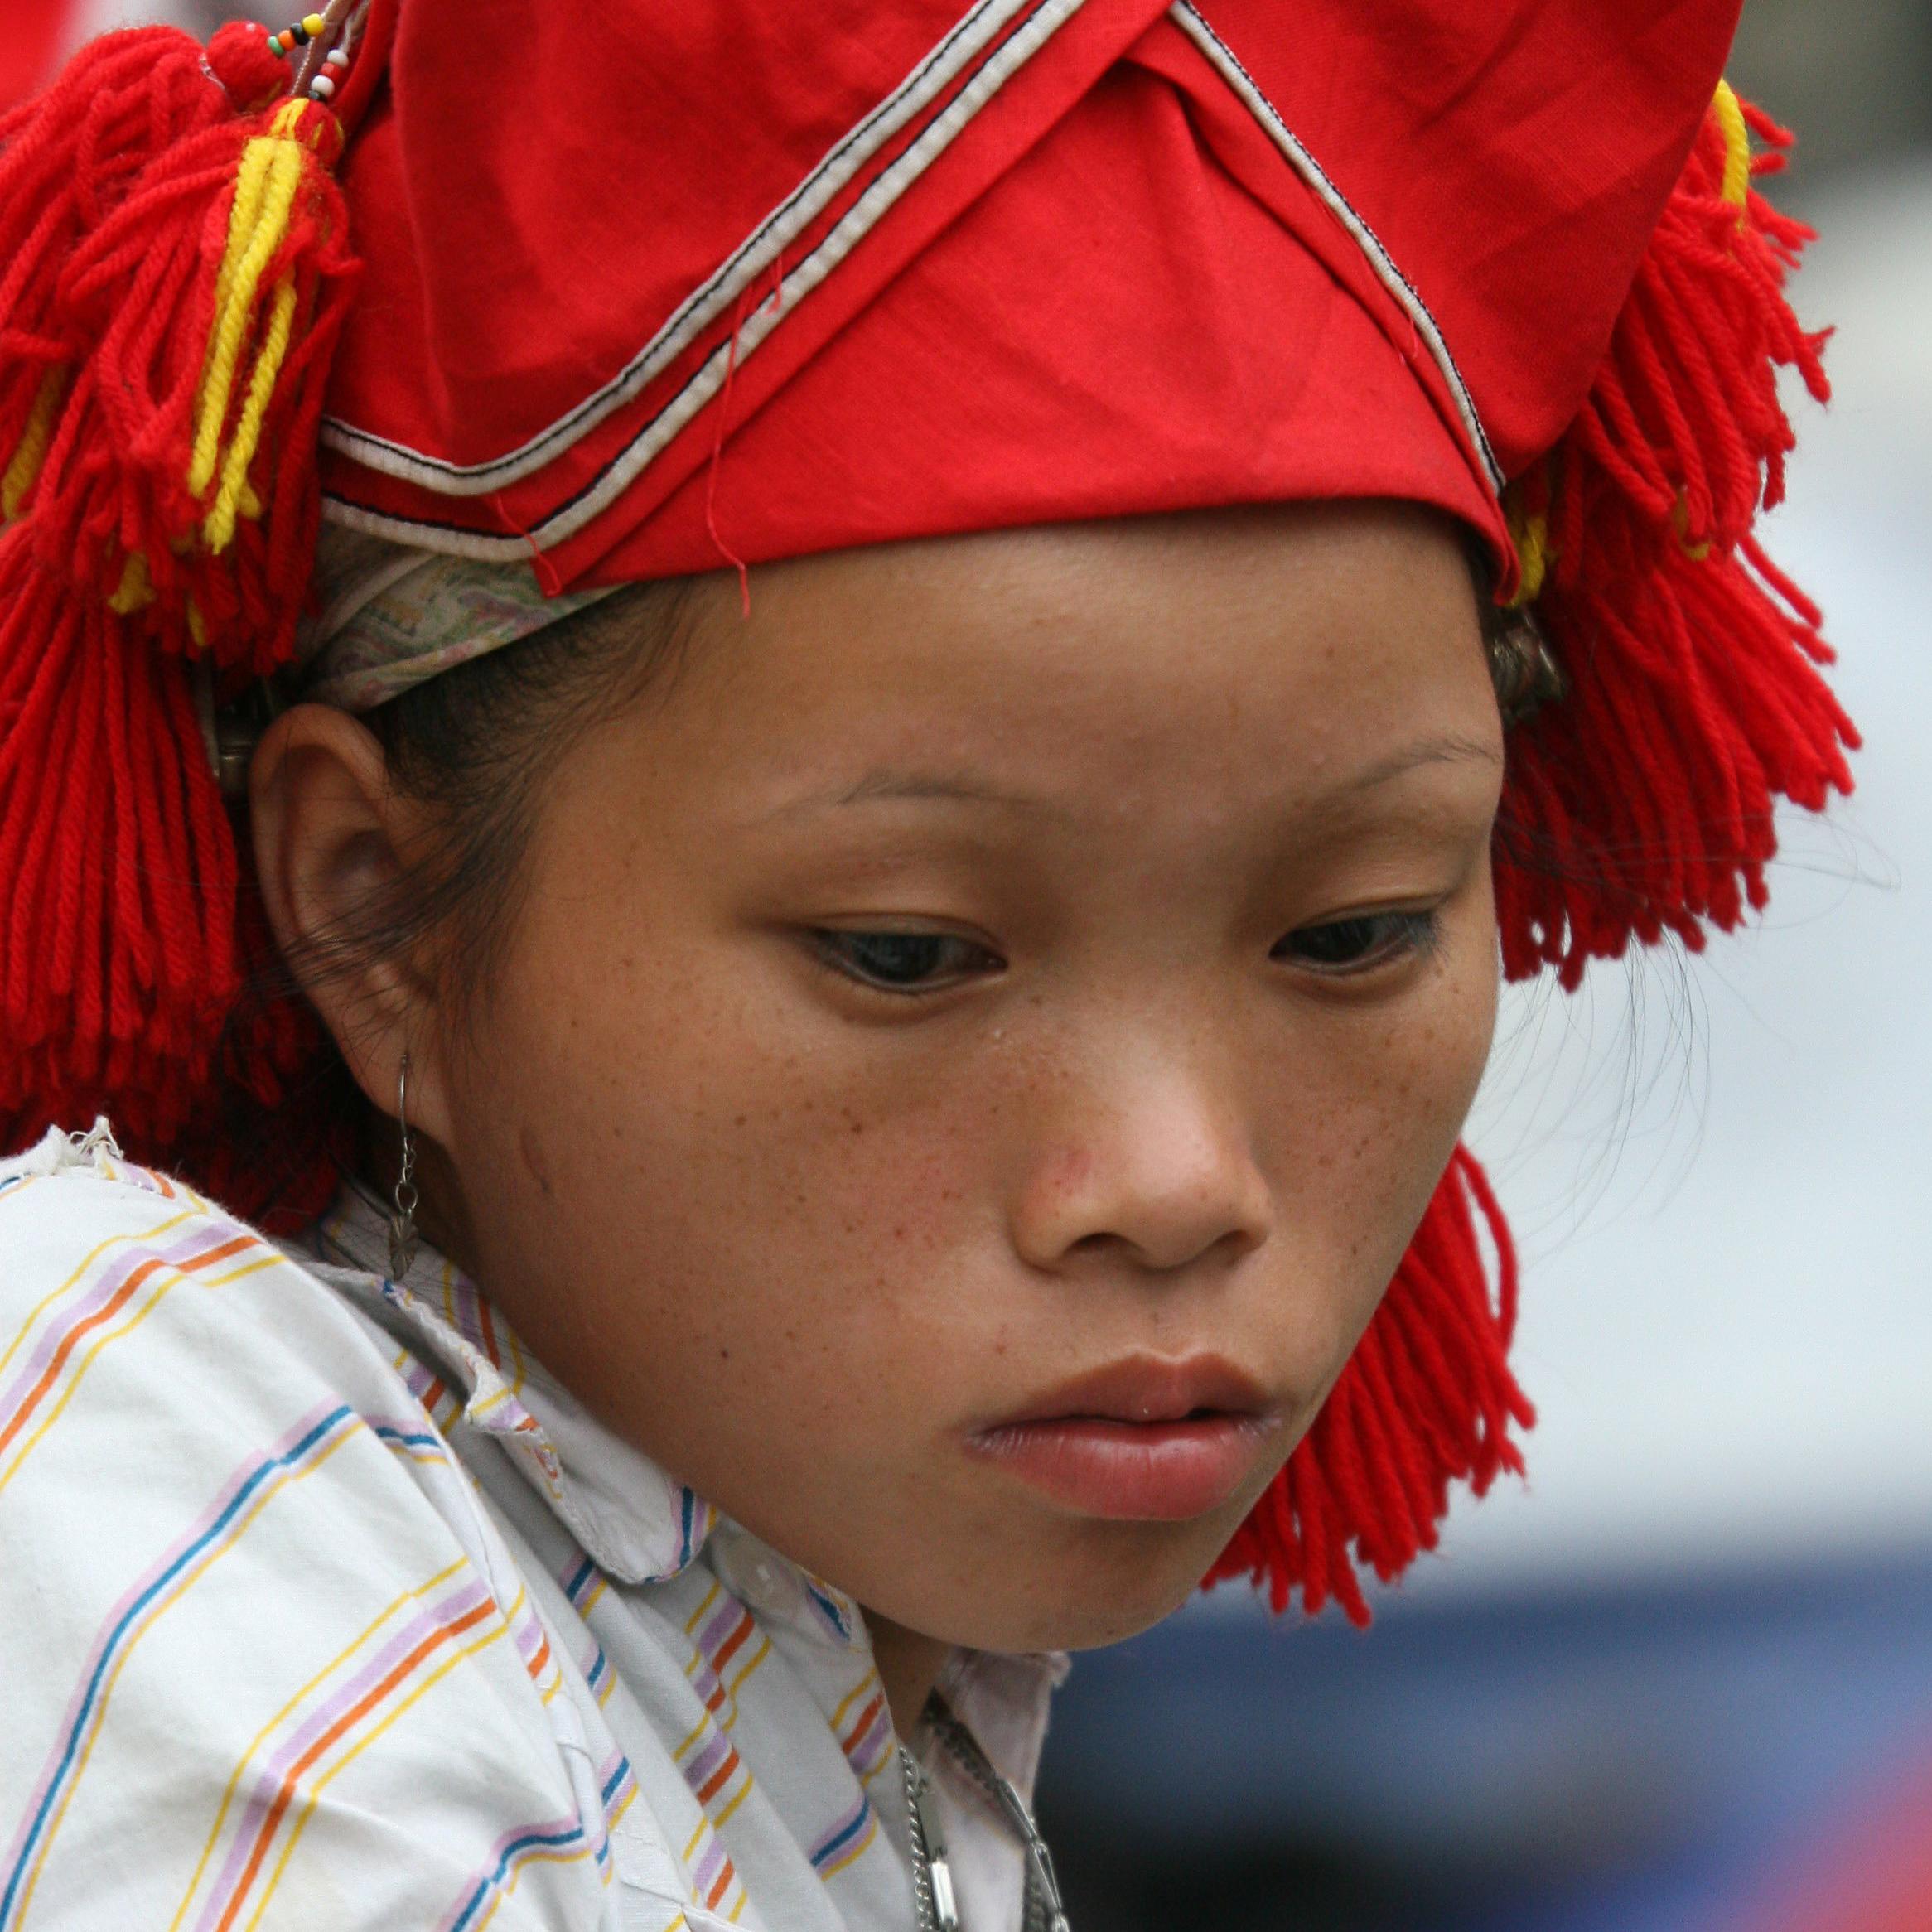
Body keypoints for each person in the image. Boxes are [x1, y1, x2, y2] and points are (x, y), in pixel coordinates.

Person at [0, 0, 1854, 1926]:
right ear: (373, 905)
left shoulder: (854, 1665)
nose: (1174, 1180)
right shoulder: (163, 1511)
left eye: (1351, 931)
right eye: (904, 950)